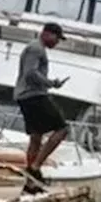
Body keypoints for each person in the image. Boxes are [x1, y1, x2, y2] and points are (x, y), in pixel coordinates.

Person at [14, 22, 70, 192]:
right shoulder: (36, 49)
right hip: (34, 95)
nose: (57, 43)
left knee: (36, 136)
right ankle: (35, 167)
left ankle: (31, 183)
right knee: (63, 128)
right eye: (56, 38)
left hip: (25, 96)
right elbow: (30, 73)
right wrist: (51, 83)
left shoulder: (35, 48)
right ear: (46, 33)